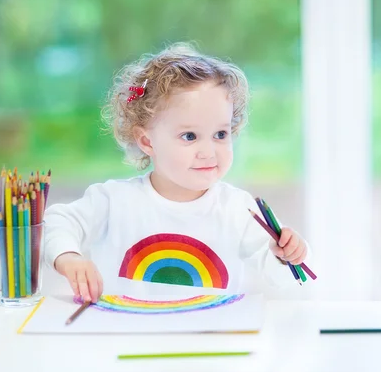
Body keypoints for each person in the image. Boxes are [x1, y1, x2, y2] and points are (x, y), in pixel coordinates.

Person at [44, 42, 311, 302]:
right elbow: (57, 222)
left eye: (220, 134)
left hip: (210, 338)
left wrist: (286, 254)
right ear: (147, 141)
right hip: (129, 337)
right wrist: (69, 257)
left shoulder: (239, 209)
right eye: (190, 136)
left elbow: (286, 281)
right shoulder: (114, 201)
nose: (208, 151)